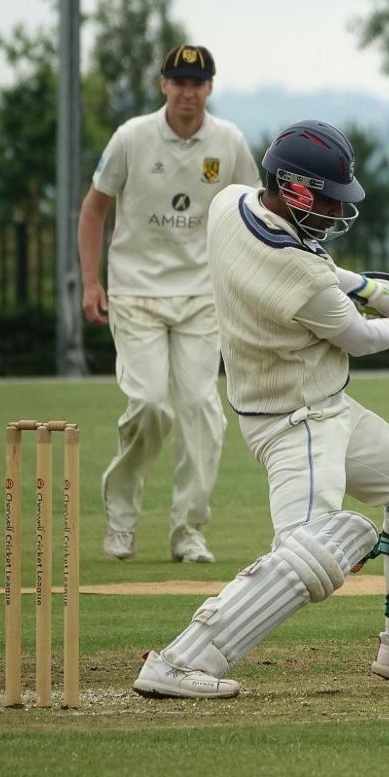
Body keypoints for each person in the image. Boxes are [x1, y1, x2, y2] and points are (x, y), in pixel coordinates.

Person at [132, 120, 389, 698]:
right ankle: (178, 660)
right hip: (295, 425)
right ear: (294, 189)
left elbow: (323, 273)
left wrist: (368, 285)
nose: (332, 210)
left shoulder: (229, 204)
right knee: (318, 547)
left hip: (329, 407)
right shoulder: (296, 275)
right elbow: (359, 337)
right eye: (324, 197)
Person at [78, 44, 260, 564]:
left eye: (197, 83)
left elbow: (252, 216)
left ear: (209, 88)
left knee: (202, 410)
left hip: (204, 297)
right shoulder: (132, 138)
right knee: (152, 405)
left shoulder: (228, 142)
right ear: (163, 85)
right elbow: (94, 211)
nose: (188, 92)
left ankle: (188, 531)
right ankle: (121, 520)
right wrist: (91, 282)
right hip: (136, 293)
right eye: (179, 82)